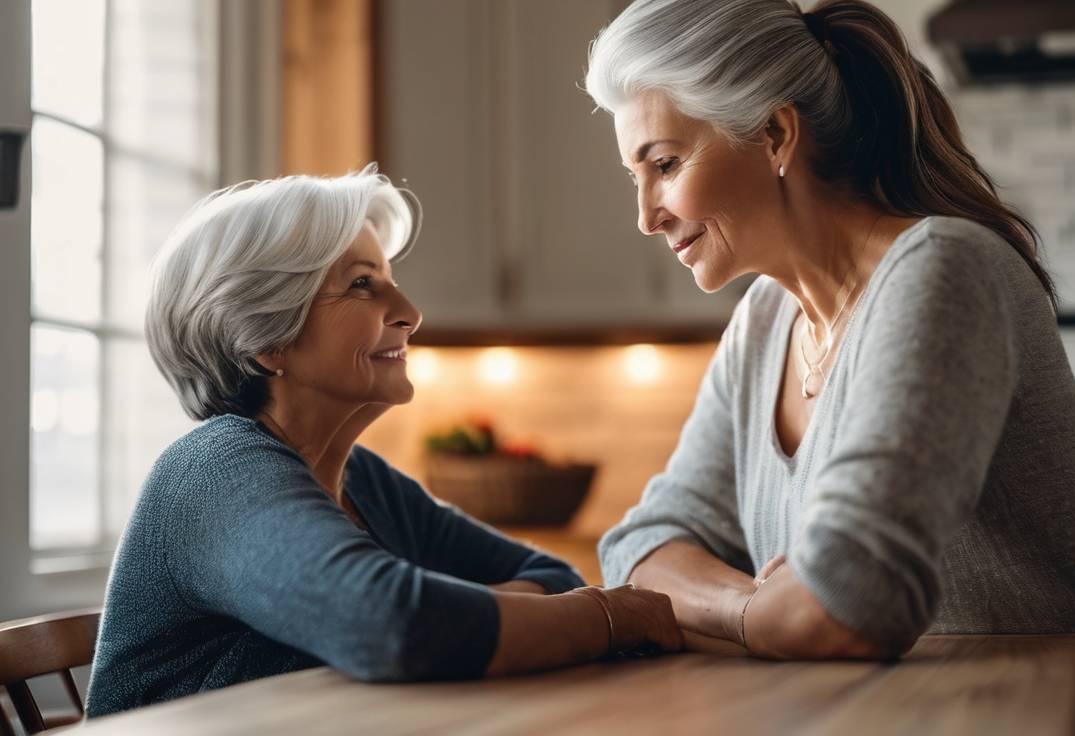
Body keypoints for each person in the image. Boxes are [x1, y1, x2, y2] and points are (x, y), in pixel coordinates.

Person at [584, 0, 1075, 732]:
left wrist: (748, 614)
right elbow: (637, 547)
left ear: (775, 136)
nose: (645, 216)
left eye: (664, 164)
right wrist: (760, 608)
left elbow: (853, 603)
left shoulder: (942, 269)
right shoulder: (764, 321)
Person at [85, 165, 681, 717]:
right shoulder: (212, 473)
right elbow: (389, 625)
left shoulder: (362, 480)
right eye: (363, 285)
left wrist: (441, 619)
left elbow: (549, 575)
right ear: (265, 340)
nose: (411, 313)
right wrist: (605, 617)